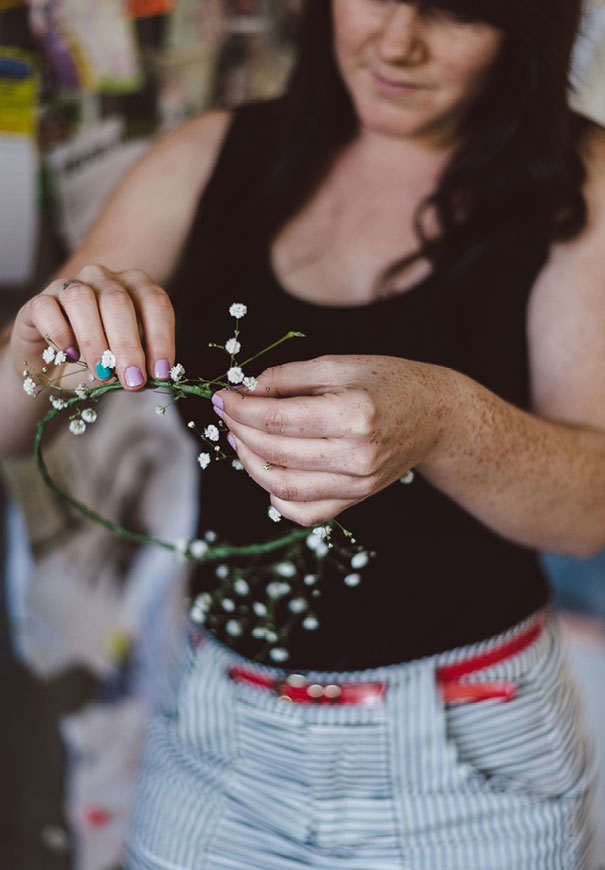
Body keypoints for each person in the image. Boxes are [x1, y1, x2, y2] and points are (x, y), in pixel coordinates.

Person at [2, 0, 604, 866]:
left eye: (455, 12)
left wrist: (443, 419)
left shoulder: (574, 183)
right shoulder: (208, 156)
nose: (397, 41)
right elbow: (6, 421)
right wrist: (32, 343)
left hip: (460, 752)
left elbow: (588, 513)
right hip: (216, 733)